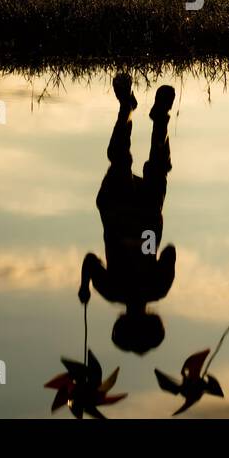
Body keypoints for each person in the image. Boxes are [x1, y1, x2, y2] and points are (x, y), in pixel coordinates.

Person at [79, 74, 177, 353]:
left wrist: (144, 245)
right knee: (121, 158)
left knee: (155, 168)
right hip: (119, 214)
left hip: (138, 217)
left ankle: (155, 116)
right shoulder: (112, 291)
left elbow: (169, 253)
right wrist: (84, 286)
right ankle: (130, 109)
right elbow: (89, 261)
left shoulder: (157, 288)